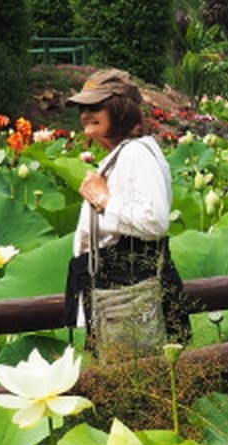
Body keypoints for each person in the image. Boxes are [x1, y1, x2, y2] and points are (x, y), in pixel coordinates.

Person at [64, 69, 184, 359]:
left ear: (120, 109)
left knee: (133, 378)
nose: (86, 114)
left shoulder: (135, 154)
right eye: (83, 108)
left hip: (127, 296)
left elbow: (154, 221)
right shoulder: (127, 153)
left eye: (96, 107)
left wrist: (103, 199)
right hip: (120, 295)